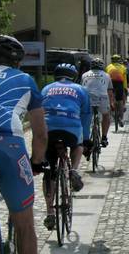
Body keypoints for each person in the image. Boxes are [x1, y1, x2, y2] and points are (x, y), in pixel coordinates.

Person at [0, 35, 47, 254]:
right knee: (25, 225)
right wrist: (37, 162)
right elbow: (40, 134)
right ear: (17, 61)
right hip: (8, 145)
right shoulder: (25, 79)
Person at [40, 63, 91, 230]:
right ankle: (74, 170)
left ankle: (49, 213)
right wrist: (86, 139)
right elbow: (86, 116)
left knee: (49, 172)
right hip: (71, 128)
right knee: (78, 145)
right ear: (74, 76)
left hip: (49, 129)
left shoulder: (46, 88)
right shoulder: (80, 89)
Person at [81, 58, 115, 147]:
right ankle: (104, 137)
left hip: (87, 98)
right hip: (102, 98)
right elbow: (110, 92)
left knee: (86, 116)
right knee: (106, 115)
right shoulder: (106, 75)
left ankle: (85, 138)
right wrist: (111, 103)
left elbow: (81, 89)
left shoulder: (84, 75)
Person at [105, 55, 127, 127]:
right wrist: (125, 88)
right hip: (119, 83)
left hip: (110, 83)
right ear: (119, 60)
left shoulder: (108, 67)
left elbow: (106, 78)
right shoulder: (123, 67)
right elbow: (124, 80)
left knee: (110, 99)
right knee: (120, 100)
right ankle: (121, 118)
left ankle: (112, 112)